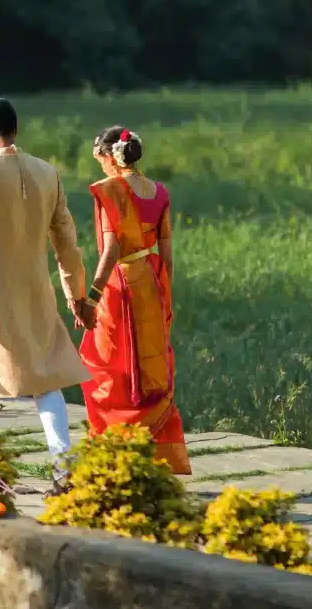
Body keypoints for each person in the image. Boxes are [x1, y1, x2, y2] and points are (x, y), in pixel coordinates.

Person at [0, 96, 91, 495]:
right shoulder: (48, 173)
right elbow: (67, 239)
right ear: (16, 128)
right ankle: (63, 470)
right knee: (45, 381)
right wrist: (75, 293)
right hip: (37, 291)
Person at [77, 126, 192, 475]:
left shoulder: (109, 191)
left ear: (110, 156)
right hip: (152, 282)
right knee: (149, 366)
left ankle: (115, 451)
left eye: (100, 159)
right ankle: (154, 456)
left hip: (119, 286)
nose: (100, 167)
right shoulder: (160, 191)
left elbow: (111, 250)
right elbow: (168, 256)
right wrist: (165, 296)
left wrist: (91, 296)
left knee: (110, 366)